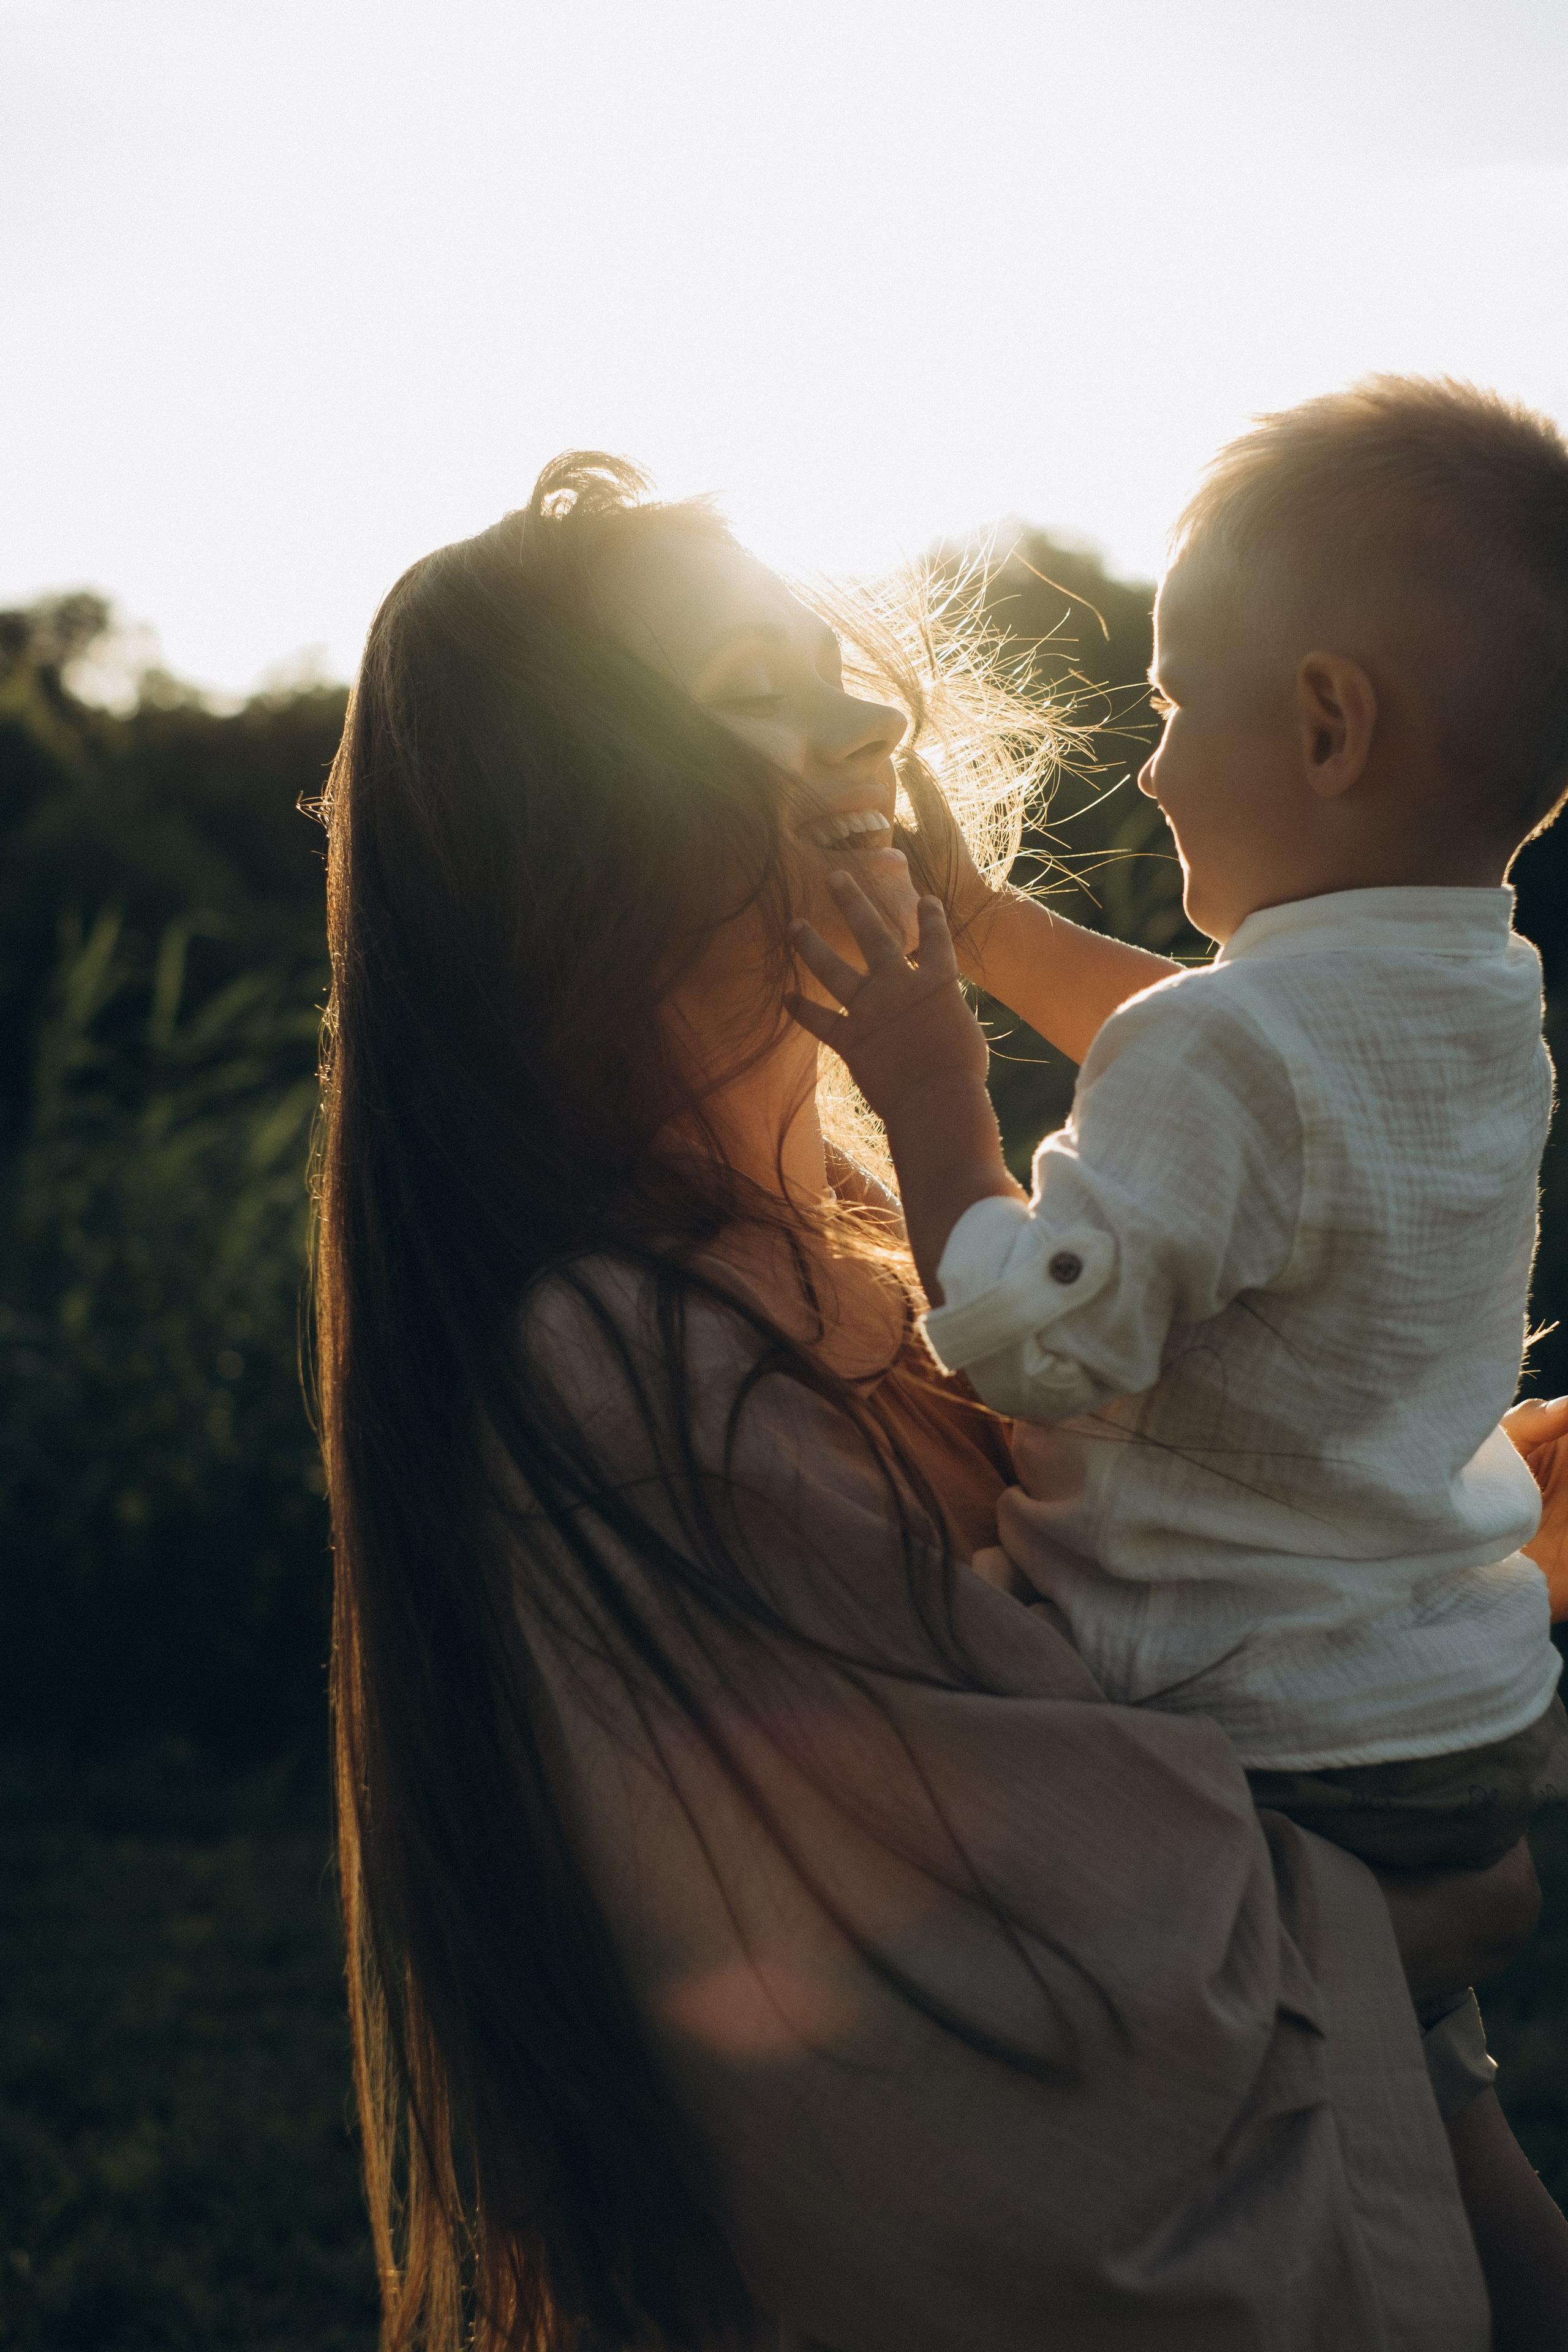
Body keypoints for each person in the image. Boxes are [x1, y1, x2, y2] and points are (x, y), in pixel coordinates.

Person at [314, 449, 1568, 2352]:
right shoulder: (624, 1369)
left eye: (837, 668)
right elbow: (965, 1970)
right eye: (757, 691)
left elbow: (1282, 1116)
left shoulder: (837, 1241)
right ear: (570, 817)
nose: (861, 718)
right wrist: (1412, 1926)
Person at [788, 377, 1568, 1889]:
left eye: (1170, 705)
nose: (1149, 767)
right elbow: (1243, 1071)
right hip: (1451, 1715)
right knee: (1417, 2074)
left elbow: (1036, 1343)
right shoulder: (1476, 987)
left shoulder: (1231, 1050)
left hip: (1249, 1729)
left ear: (1327, 725)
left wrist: (929, 1082)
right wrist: (991, 927)